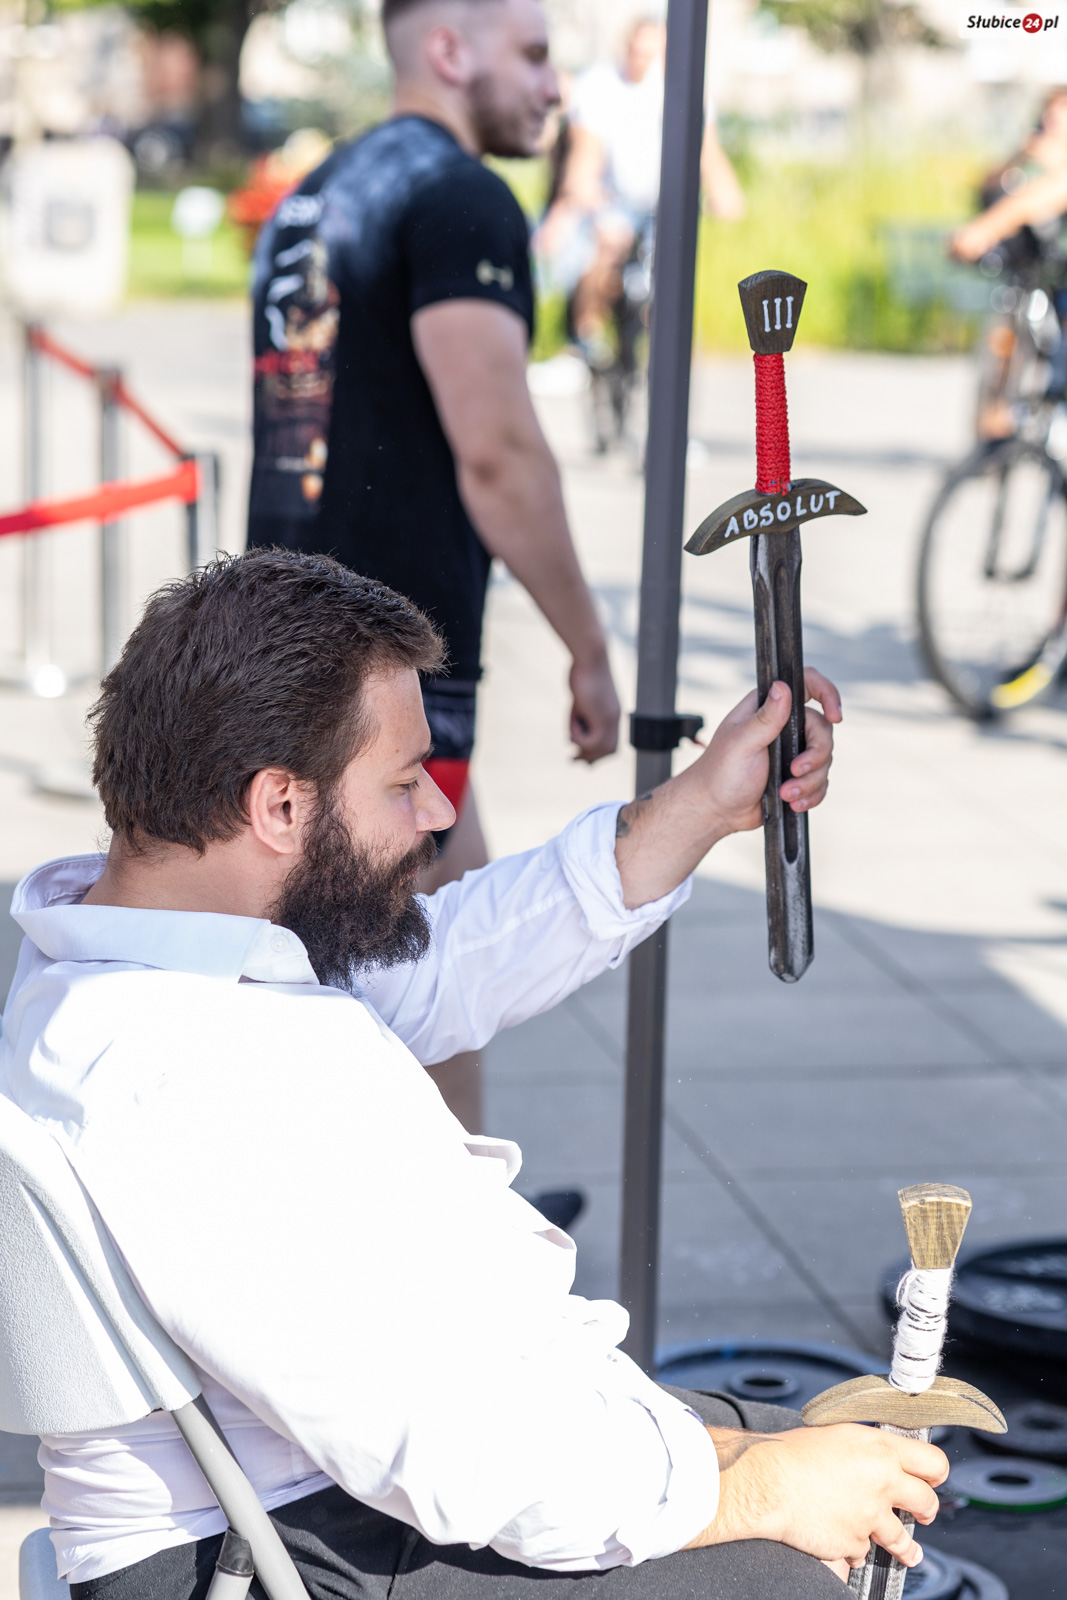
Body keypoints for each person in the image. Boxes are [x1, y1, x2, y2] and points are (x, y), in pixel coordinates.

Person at [2, 549, 949, 1600]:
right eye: (403, 782)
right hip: (275, 1547)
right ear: (278, 806)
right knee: (800, 1568)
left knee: (815, 1455)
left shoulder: (153, 943)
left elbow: (446, 959)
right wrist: (750, 1490)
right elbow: (443, 1446)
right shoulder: (177, 1076)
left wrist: (700, 805)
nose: (437, 814)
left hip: (336, 1479)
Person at [246, 0, 620, 1131]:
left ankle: (462, 1181)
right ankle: (437, 1205)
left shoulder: (315, 194)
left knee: (429, 921)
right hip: (385, 667)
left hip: (287, 641)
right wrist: (588, 647)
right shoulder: (461, 196)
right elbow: (498, 450)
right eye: (534, 55)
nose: (554, 87)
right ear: (449, 51)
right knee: (407, 974)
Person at [535, 17, 745, 363]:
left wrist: (725, 194)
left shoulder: (685, 88)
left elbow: (707, 151)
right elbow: (586, 154)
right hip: (612, 199)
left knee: (671, 268)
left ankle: (668, 353)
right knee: (606, 250)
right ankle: (586, 341)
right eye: (637, 52)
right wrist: (585, 191)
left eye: (652, 53)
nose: (643, 61)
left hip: (662, 206)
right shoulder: (600, 85)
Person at [952, 88, 1067, 440]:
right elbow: (989, 187)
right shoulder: (1031, 164)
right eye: (1047, 122)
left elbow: (1045, 195)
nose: (1052, 129)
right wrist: (1019, 155)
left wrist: (985, 229)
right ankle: (1001, 423)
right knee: (1011, 324)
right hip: (1041, 273)